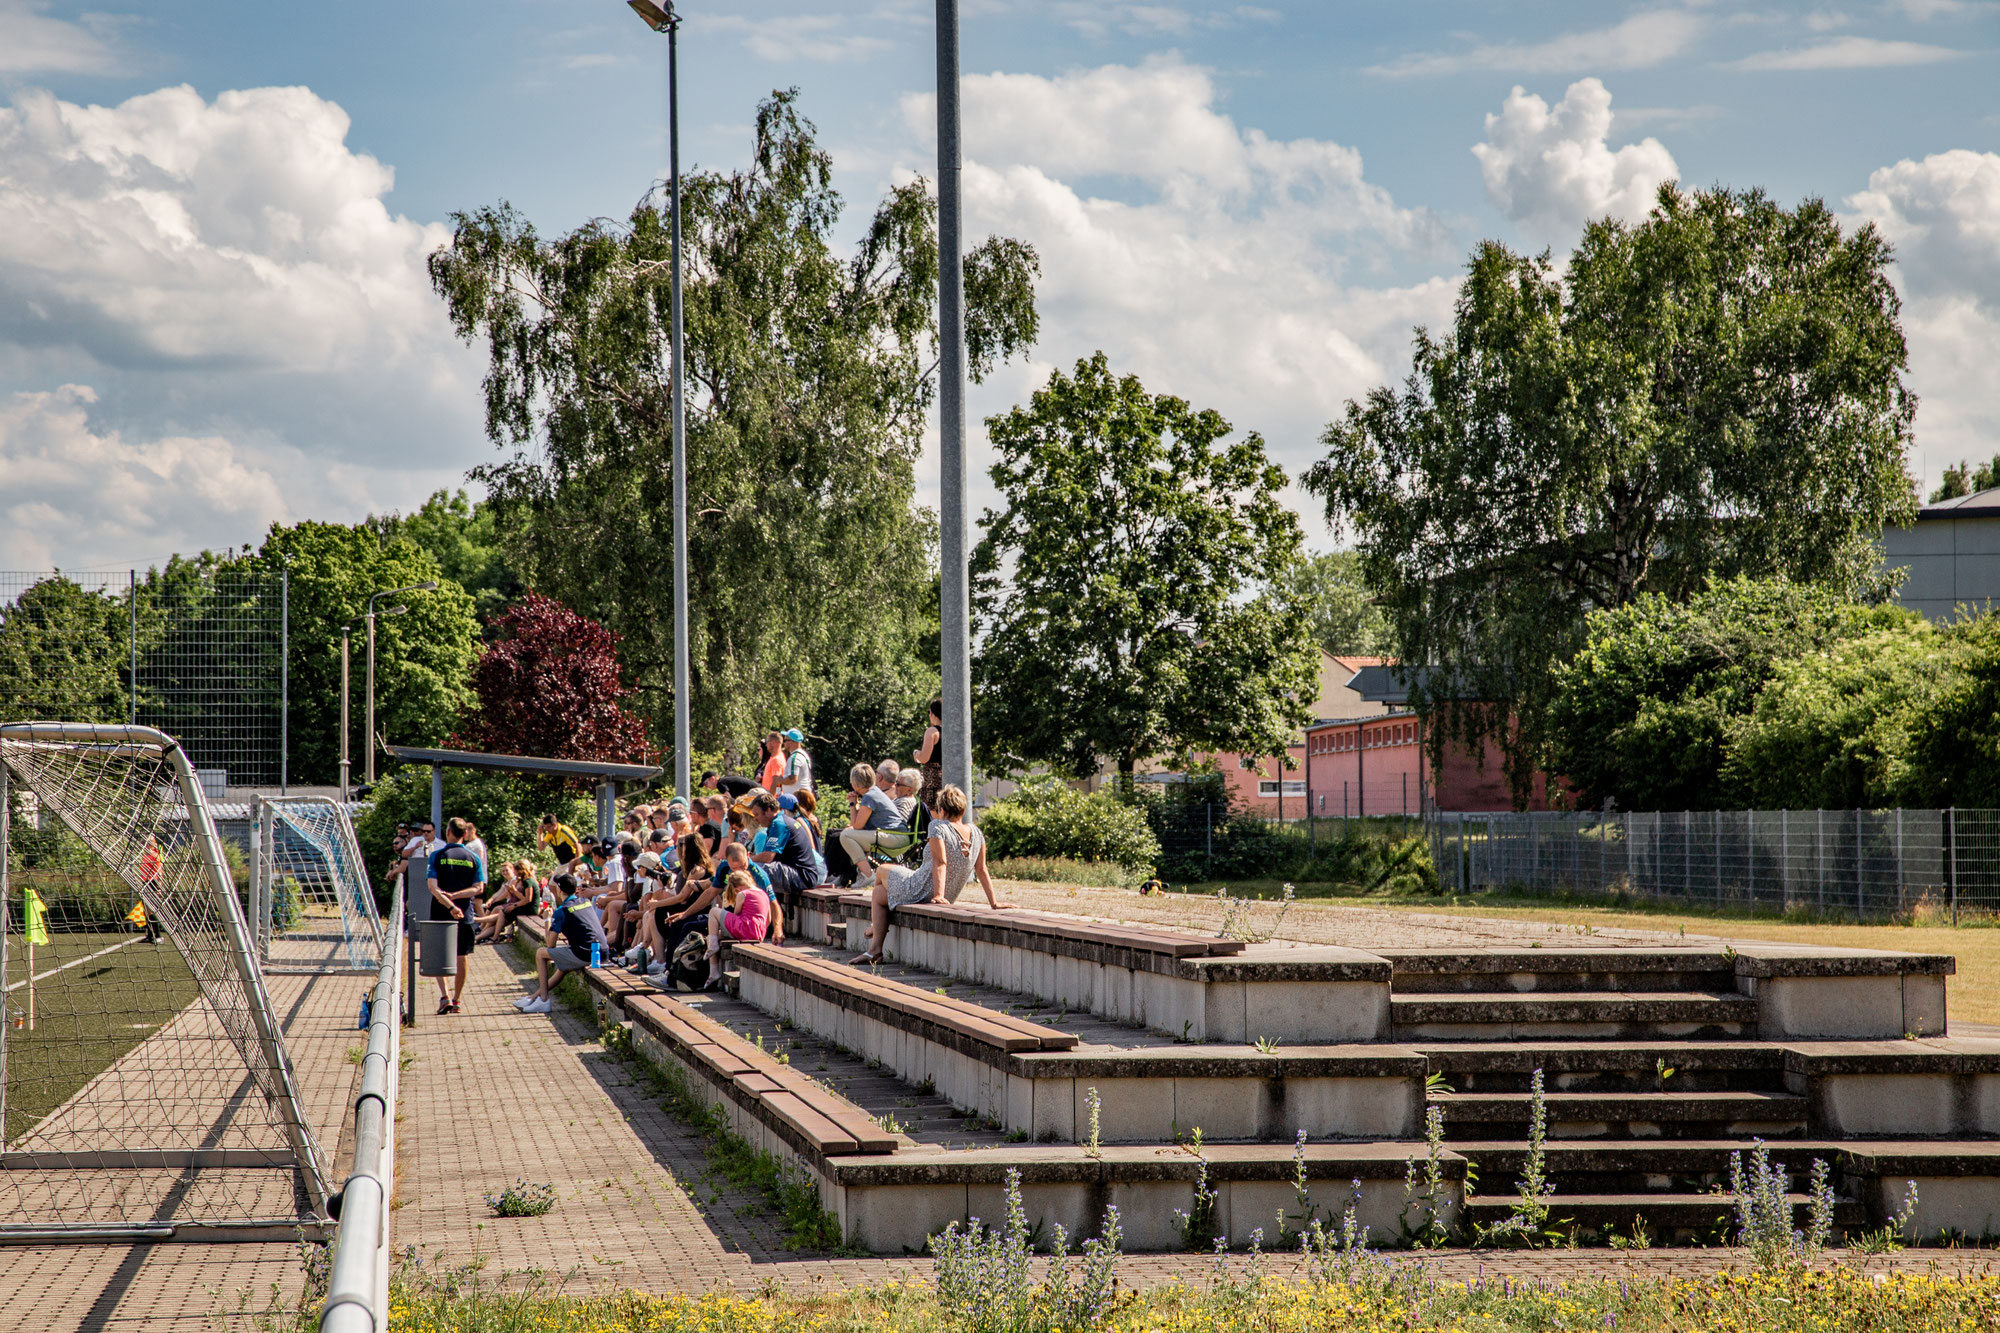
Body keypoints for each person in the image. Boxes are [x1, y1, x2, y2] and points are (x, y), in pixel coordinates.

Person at [851, 785, 1012, 965]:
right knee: (879, 894)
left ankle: (875, 933)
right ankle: (875, 949)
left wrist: (938, 895)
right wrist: (994, 903)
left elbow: (940, 862)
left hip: (920, 888)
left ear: (941, 810)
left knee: (881, 870)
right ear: (964, 809)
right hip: (944, 891)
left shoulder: (937, 826)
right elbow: (982, 869)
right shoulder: (977, 832)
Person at [515, 873, 604, 1015]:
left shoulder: (561, 910)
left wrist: (547, 919)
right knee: (563, 967)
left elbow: (550, 944)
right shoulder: (585, 901)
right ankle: (532, 998)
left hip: (586, 953)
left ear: (559, 889)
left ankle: (543, 1001)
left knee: (541, 953)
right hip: (601, 950)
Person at [426, 817, 485, 1014]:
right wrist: (458, 897)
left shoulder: (436, 855)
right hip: (465, 914)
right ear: (465, 834)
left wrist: (449, 904)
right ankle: (458, 999)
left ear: (448, 833)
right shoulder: (473, 857)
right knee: (462, 955)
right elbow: (479, 888)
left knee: (439, 955)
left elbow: (433, 888)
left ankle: (445, 996)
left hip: (441, 911)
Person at [838, 763, 913, 885]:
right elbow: (857, 826)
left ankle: (868, 876)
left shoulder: (870, 797)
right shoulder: (875, 792)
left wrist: (852, 804)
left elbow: (857, 826)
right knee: (849, 834)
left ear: (855, 783)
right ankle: (863, 874)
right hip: (899, 837)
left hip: (894, 837)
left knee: (845, 836)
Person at [749, 791, 823, 898]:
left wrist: (749, 859)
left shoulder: (779, 823)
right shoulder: (779, 821)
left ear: (769, 810)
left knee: (751, 869)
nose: (755, 819)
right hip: (798, 873)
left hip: (802, 877)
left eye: (757, 814)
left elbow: (768, 857)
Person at [704, 870, 772, 986]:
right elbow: (768, 919)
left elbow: (736, 913)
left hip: (743, 928)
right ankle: (713, 972)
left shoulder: (743, 894)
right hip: (758, 933)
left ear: (737, 888)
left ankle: (713, 966)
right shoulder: (763, 893)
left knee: (713, 912)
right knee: (715, 935)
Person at [913, 698, 943, 811]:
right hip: (952, 781)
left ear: (933, 713)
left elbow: (924, 758)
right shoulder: (957, 733)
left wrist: (916, 754)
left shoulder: (932, 732)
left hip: (933, 781)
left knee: (933, 819)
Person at [777, 729, 813, 798]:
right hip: (803, 796)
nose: (784, 743)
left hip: (797, 798)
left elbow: (792, 779)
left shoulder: (795, 758)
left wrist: (780, 781)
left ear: (792, 742)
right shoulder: (803, 754)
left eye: (785, 741)